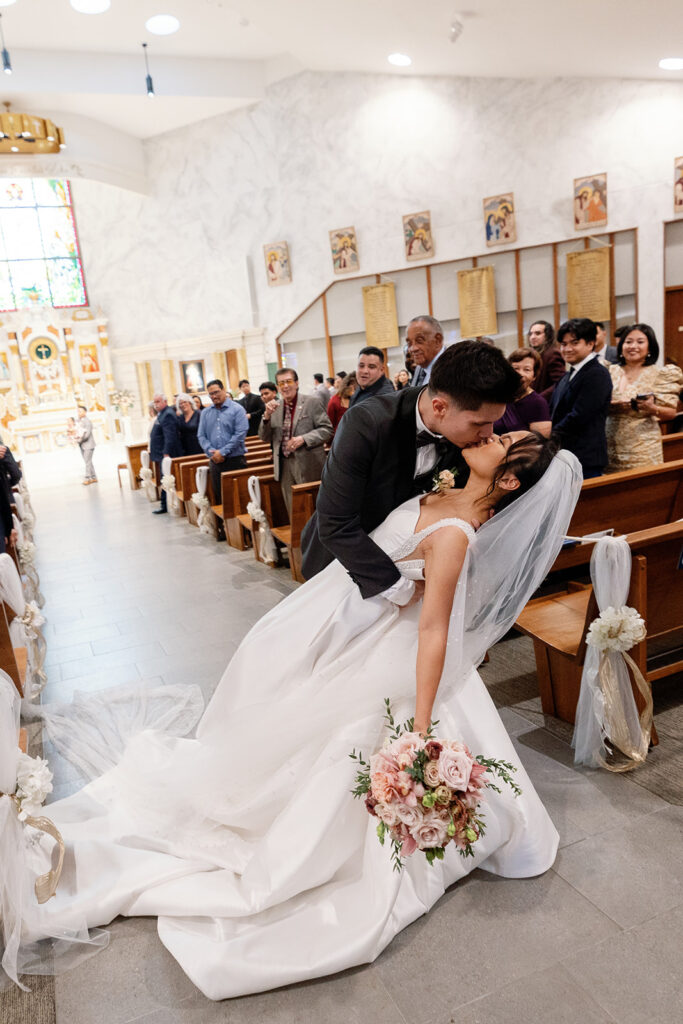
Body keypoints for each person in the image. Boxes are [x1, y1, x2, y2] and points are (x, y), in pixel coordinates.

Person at [15, 431, 581, 1001]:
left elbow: (435, 629)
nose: (493, 432)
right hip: (360, 629)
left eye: (504, 440)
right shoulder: (446, 491)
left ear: (507, 479)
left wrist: (422, 724)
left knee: (342, 749)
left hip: (395, 657)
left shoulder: (458, 533)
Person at [301, 340, 521, 595]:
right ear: (439, 407)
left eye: (494, 423)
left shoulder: (469, 439)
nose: (488, 434)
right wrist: (400, 589)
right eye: (479, 424)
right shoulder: (366, 423)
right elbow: (335, 524)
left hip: (409, 560)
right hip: (345, 563)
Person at [605, 323, 683, 472]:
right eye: (628, 342)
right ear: (621, 346)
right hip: (610, 444)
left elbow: (671, 412)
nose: (633, 346)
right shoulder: (609, 370)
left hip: (643, 447)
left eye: (640, 342)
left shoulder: (660, 373)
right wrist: (609, 405)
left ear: (650, 347)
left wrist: (651, 408)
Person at [259, 367, 333, 517]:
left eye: (289, 381)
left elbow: (326, 429)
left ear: (297, 383)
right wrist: (266, 416)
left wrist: (303, 439)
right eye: (281, 383)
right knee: (294, 510)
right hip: (284, 465)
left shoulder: (312, 402)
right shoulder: (274, 407)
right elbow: (264, 437)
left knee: (315, 508)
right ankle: (300, 539)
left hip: (308, 462)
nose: (285, 386)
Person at [550, 318, 612, 479]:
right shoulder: (568, 374)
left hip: (586, 456)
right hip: (565, 455)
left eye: (574, 343)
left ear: (590, 344)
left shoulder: (597, 373)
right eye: (563, 344)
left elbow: (581, 415)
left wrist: (550, 435)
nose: (567, 349)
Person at [197, 379, 248, 506]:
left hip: (235, 459)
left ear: (224, 390)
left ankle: (242, 526)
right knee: (221, 500)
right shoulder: (205, 413)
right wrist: (212, 452)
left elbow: (240, 434)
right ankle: (224, 526)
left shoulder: (237, 409)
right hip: (215, 461)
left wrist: (223, 452)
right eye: (211, 394)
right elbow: (201, 435)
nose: (214, 396)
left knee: (238, 499)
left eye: (216, 392)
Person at [494, 348, 552, 437]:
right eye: (515, 368)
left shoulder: (538, 403)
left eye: (527, 370)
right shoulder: (498, 396)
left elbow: (540, 444)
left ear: (534, 376)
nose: (520, 374)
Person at [149, 393, 182, 514]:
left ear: (165, 402)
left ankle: (166, 505)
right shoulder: (162, 413)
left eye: (158, 402)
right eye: (155, 402)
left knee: (166, 478)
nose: (156, 404)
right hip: (161, 453)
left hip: (167, 454)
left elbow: (170, 435)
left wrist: (166, 452)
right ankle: (165, 504)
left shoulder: (167, 414)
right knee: (164, 478)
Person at [527, 320, 565, 401]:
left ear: (547, 336)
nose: (533, 337)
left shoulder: (552, 353)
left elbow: (560, 383)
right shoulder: (534, 354)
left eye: (538, 333)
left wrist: (539, 398)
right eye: (531, 334)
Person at [407, 315, 446, 386]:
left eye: (419, 341)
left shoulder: (455, 369)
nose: (413, 349)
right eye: (409, 343)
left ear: (437, 340)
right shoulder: (419, 368)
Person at [76, 405, 97, 486]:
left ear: (85, 412)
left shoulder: (87, 421)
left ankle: (87, 478)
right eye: (78, 411)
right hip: (82, 444)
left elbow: (87, 434)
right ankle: (94, 477)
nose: (79, 413)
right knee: (88, 461)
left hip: (88, 444)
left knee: (87, 462)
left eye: (80, 411)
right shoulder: (78, 421)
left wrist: (79, 439)